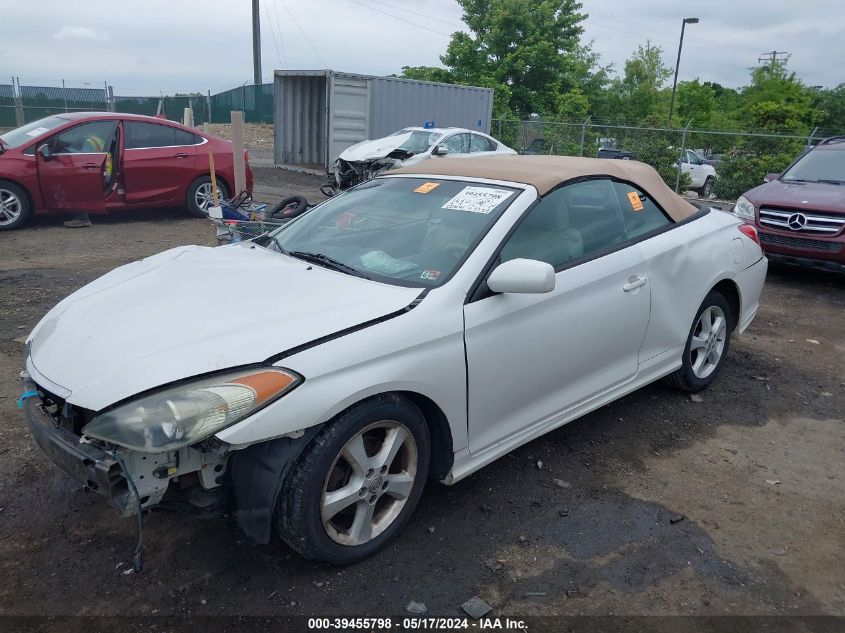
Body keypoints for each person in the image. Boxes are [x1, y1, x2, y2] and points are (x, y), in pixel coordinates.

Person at [64, 130, 111, 228]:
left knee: (77, 186)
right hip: (106, 173)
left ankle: (82, 219)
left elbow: (83, 157)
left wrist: (68, 150)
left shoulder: (90, 142)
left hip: (103, 176)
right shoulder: (99, 139)